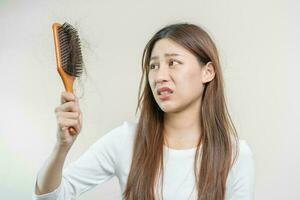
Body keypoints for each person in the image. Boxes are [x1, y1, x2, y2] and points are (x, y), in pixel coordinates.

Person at [32, 23, 255, 200]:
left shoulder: (235, 154)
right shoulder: (126, 140)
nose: (159, 76)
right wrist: (61, 148)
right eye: (153, 66)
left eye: (173, 63)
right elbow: (50, 198)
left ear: (207, 72)